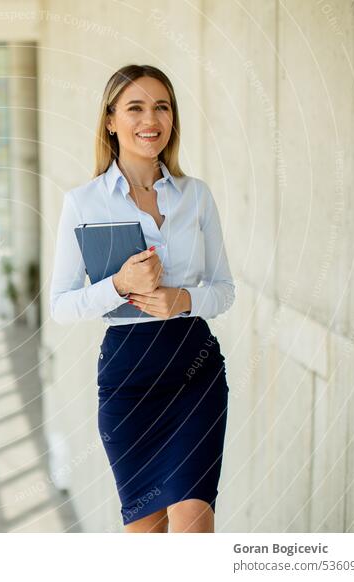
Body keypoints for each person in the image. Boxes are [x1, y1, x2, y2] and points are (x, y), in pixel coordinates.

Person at [49, 64, 236, 533]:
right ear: (110, 119)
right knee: (146, 536)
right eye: (135, 107)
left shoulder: (196, 196)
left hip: (195, 371)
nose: (149, 119)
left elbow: (224, 290)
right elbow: (60, 304)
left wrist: (183, 300)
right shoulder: (83, 202)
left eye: (162, 107)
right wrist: (118, 285)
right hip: (129, 380)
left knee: (194, 525)